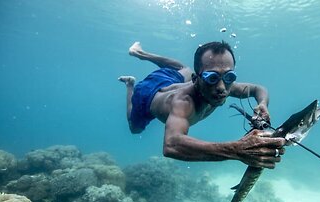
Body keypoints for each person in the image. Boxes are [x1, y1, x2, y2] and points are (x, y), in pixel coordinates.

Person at [118, 41, 285, 169]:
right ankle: (130, 84)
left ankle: (140, 53)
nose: (221, 88)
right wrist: (237, 149)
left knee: (182, 68)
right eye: (211, 78)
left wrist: (262, 103)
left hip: (170, 78)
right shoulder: (184, 103)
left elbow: (258, 89)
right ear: (196, 79)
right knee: (135, 128)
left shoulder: (224, 85)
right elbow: (171, 145)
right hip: (146, 95)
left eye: (229, 76)